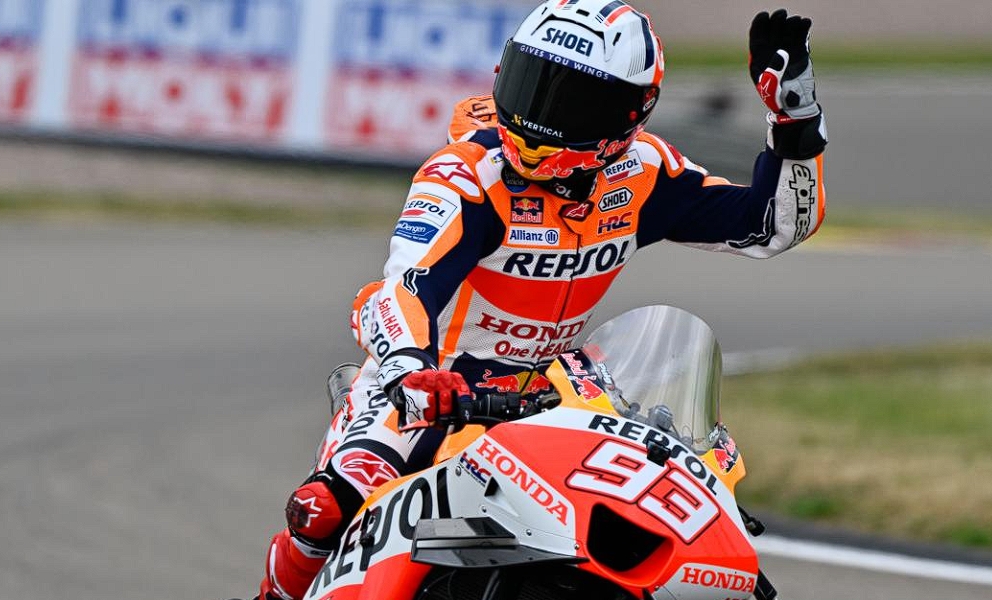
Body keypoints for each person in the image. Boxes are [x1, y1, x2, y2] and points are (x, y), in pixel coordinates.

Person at [258, 2, 826, 598]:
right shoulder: (466, 174)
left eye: (570, 102)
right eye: (532, 84)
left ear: (630, 113)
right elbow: (404, 288)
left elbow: (774, 225)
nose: (537, 118)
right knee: (324, 510)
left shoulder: (643, 175)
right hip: (427, 389)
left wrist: (795, 118)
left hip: (554, 398)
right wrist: (409, 370)